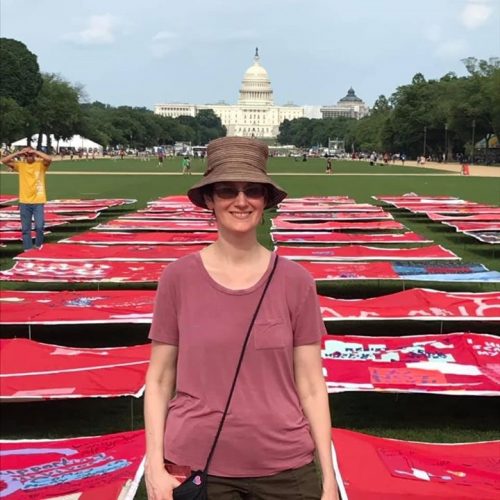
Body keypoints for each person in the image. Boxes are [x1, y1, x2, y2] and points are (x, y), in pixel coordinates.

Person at [144, 136, 339, 500]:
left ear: (265, 201)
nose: (241, 201)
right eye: (226, 191)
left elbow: (312, 385)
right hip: (198, 463)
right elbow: (159, 379)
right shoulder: (178, 278)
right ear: (209, 200)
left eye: (252, 190)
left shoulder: (296, 281)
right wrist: (154, 467)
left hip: (285, 466)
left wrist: (328, 478)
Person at [1, 146, 52, 250]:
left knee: (39, 227)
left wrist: (34, 151)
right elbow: (4, 160)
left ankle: (38, 246)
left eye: (31, 154)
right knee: (25, 229)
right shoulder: (21, 166)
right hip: (24, 202)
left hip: (38, 201)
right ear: (24, 156)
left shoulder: (41, 165)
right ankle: (27, 249)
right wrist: (18, 153)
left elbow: (49, 159)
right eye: (27, 155)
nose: (29, 156)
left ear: (34, 155)